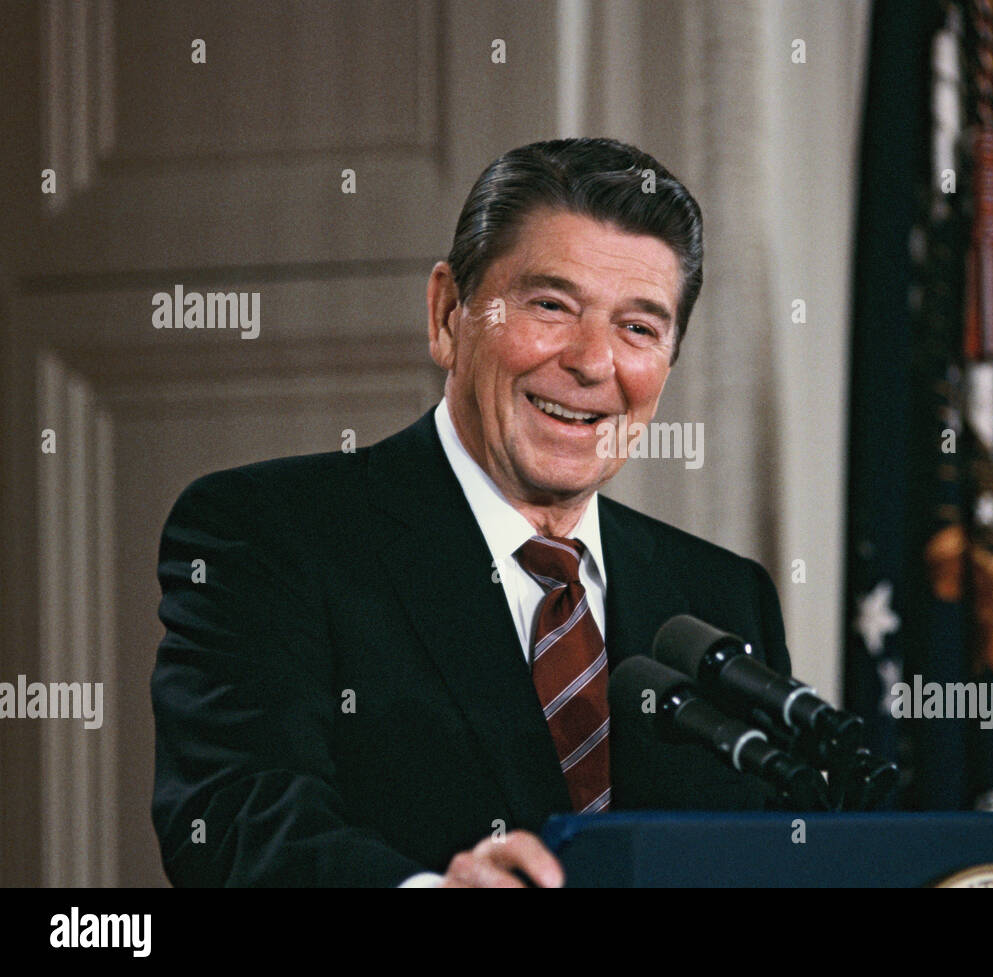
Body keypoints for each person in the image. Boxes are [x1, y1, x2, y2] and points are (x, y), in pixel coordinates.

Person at [151, 138, 792, 887]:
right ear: (449, 313)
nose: (592, 362)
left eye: (638, 328)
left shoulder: (722, 597)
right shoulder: (268, 532)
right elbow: (232, 818)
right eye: (551, 305)